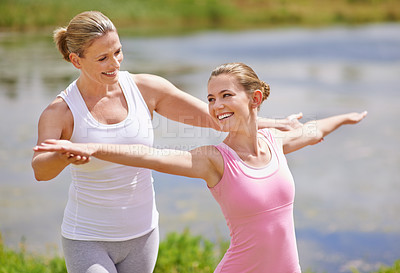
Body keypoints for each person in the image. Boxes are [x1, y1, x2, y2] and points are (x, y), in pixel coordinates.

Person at [31, 11, 301, 273]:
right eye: (103, 58)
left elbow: (214, 118)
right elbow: (40, 170)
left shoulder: (145, 88)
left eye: (118, 52)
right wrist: (63, 156)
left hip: (142, 233)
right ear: (77, 61)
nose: (115, 64)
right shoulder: (61, 112)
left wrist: (275, 123)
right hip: (88, 236)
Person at [35, 62, 367, 273]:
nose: (216, 106)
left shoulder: (274, 143)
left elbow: (312, 131)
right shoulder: (214, 159)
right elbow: (150, 155)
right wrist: (91, 146)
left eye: (225, 95)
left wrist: (344, 117)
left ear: (254, 99)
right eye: (210, 98)